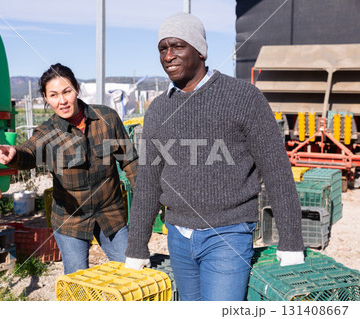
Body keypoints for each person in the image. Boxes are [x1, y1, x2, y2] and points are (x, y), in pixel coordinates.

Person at [124, 12, 304, 301]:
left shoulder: (243, 98)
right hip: (178, 237)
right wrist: (136, 247)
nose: (168, 55)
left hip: (228, 236)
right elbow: (147, 182)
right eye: (162, 48)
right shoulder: (158, 109)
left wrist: (292, 241)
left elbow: (276, 171)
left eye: (177, 46)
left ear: (200, 51)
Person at [0, 63, 137, 274]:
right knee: (77, 282)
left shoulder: (106, 118)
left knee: (133, 271)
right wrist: (15, 156)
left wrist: (146, 202)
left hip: (110, 213)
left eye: (66, 92)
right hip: (71, 221)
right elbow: (30, 152)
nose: (62, 101)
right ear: (45, 97)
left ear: (76, 89)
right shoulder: (47, 132)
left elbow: (130, 162)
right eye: (53, 95)